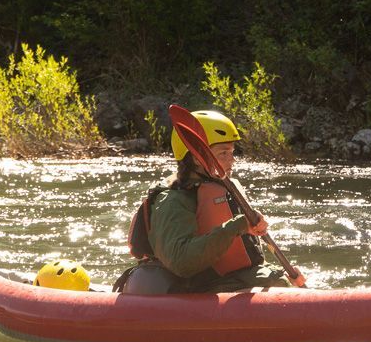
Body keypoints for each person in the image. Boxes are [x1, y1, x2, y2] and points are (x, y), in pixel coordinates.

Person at [121, 110, 291, 293]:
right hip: (203, 287)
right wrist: (237, 226)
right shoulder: (173, 200)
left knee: (283, 281)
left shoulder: (227, 187)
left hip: (240, 278)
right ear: (196, 157)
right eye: (223, 153)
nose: (232, 160)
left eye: (232, 152)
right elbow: (181, 262)